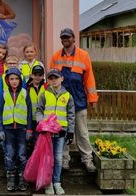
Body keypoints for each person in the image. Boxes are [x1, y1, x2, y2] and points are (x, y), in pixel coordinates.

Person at [49, 27, 99, 173]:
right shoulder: (56, 56)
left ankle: (87, 160)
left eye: (67, 37)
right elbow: (51, 79)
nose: (65, 40)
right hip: (61, 102)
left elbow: (89, 79)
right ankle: (64, 160)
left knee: (82, 132)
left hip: (79, 100)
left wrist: (93, 99)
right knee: (62, 131)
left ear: (73, 39)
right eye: (63, 38)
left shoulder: (83, 55)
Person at [36, 69, 75, 195]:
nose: (54, 80)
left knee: (58, 158)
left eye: (56, 78)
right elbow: (39, 111)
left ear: (62, 79)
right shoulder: (44, 94)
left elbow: (71, 115)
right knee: (48, 158)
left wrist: (70, 132)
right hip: (47, 133)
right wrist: (42, 123)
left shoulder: (67, 96)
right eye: (51, 78)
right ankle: (48, 184)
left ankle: (57, 182)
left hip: (61, 133)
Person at [0, 67, 33, 191]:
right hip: (8, 130)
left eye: (16, 78)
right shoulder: (5, 94)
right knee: (9, 154)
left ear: (20, 80)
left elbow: (29, 112)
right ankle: (11, 179)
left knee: (22, 155)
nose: (14, 81)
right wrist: (0, 129)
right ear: (7, 80)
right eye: (11, 79)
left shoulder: (24, 93)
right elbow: (0, 112)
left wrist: (29, 129)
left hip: (21, 129)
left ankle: (23, 178)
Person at [26, 65, 47, 155]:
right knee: (32, 142)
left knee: (42, 143)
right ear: (31, 75)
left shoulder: (47, 87)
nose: (37, 77)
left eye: (40, 75)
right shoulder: (27, 88)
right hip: (31, 120)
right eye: (35, 74)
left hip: (43, 120)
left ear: (43, 76)